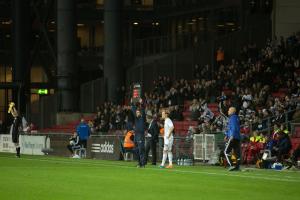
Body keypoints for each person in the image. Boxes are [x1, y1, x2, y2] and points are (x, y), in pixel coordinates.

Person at [224, 107, 241, 171]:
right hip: (237, 137)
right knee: (237, 153)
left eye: (229, 110)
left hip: (233, 137)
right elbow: (231, 128)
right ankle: (237, 167)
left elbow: (233, 127)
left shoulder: (232, 118)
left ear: (232, 111)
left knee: (226, 151)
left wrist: (231, 136)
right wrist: (226, 135)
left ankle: (232, 165)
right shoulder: (236, 118)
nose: (228, 111)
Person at [132, 98, 146, 168]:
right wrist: (132, 103)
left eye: (138, 112)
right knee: (136, 149)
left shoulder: (142, 117)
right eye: (136, 113)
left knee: (141, 150)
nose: (137, 113)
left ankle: (143, 164)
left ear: (140, 113)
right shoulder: (136, 118)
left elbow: (143, 110)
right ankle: (139, 163)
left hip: (141, 135)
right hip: (136, 135)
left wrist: (141, 103)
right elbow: (133, 110)